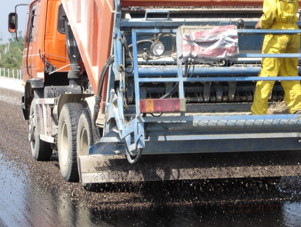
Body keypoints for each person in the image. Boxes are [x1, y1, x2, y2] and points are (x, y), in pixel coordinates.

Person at [251, 0, 301, 115]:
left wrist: (262, 23)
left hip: (277, 33)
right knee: (290, 73)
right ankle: (297, 107)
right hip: (293, 32)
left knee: (268, 74)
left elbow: (271, 10)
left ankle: (258, 112)